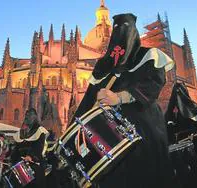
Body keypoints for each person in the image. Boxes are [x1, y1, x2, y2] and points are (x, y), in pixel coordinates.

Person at [71, 13, 174, 188]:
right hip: (111, 141)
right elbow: (87, 103)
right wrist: (69, 134)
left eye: (126, 29)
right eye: (117, 30)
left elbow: (154, 83)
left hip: (144, 132)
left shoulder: (149, 55)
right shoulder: (104, 66)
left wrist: (119, 97)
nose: (121, 35)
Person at [11, 108, 49, 188]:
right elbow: (16, 148)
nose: (28, 117)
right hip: (21, 165)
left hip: (34, 163)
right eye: (27, 115)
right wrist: (12, 158)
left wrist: (31, 156)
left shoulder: (40, 131)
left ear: (34, 117)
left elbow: (39, 147)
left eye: (30, 116)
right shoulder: (21, 132)